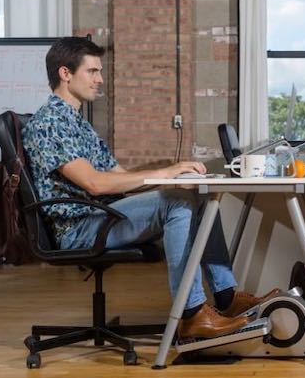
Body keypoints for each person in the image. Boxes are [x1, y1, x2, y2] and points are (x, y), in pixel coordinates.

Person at [22, 37, 277, 341]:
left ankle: (226, 296)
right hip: (78, 227)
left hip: (99, 215)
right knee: (178, 202)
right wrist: (165, 174)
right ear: (65, 73)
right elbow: (94, 183)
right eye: (92, 71)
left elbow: (119, 176)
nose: (100, 79)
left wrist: (172, 177)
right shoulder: (49, 122)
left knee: (197, 195)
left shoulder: (78, 124)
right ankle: (192, 313)